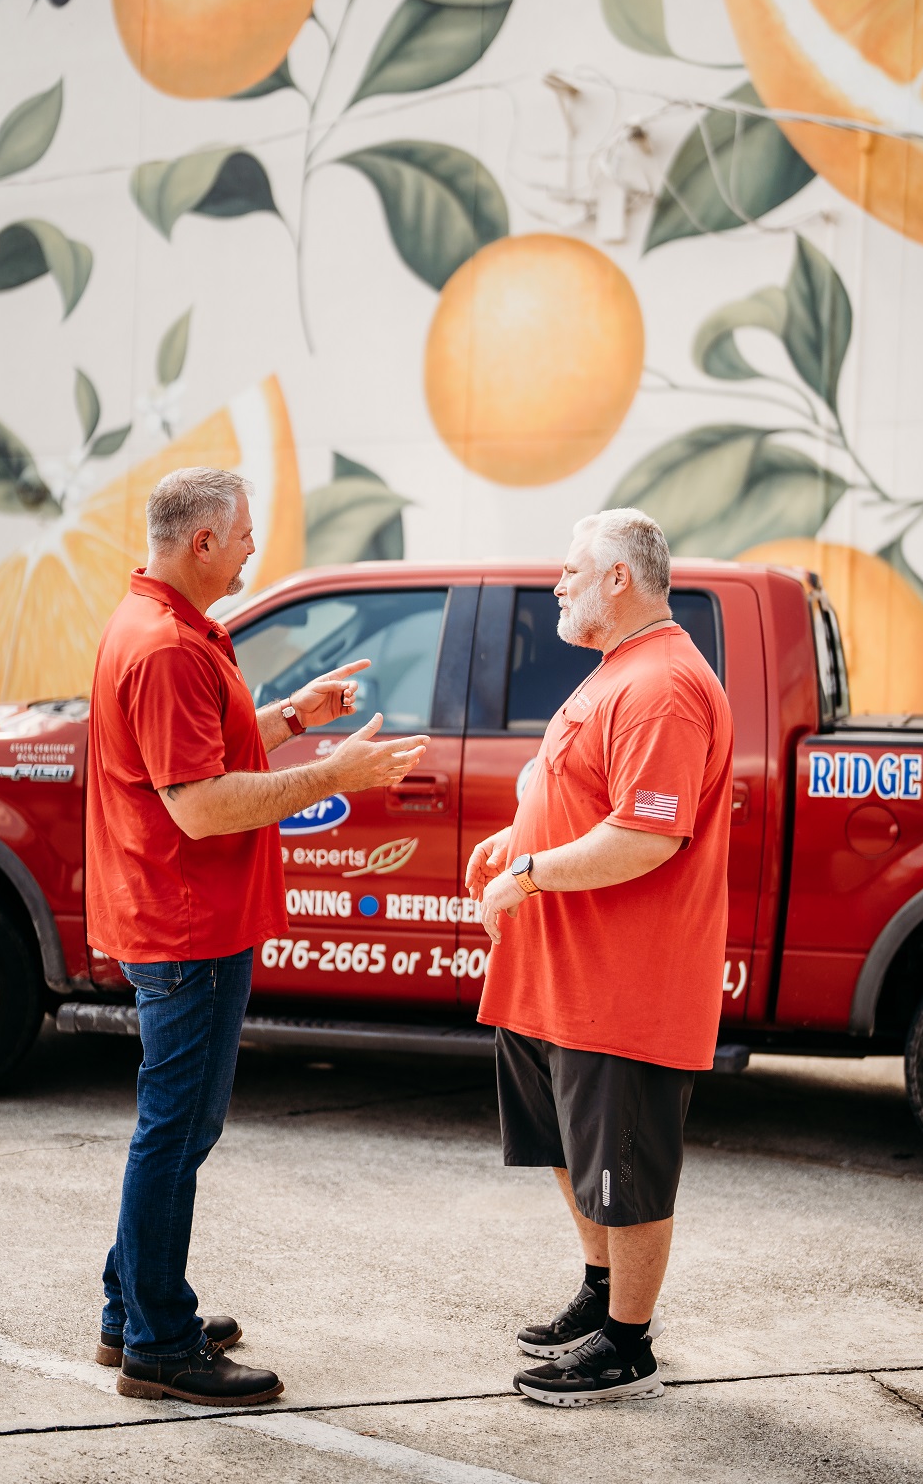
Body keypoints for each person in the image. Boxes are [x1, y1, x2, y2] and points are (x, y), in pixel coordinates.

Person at [86, 466, 428, 1407]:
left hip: (183, 917)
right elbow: (199, 807)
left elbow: (203, 750)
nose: (250, 550)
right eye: (242, 536)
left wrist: (291, 716)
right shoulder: (164, 648)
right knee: (177, 1131)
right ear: (201, 543)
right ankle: (158, 1341)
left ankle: (135, 1307)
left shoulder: (175, 631)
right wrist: (334, 772)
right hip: (186, 924)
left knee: (178, 1127)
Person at [466, 508, 733, 1408]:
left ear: (619, 578)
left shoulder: (660, 685)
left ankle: (627, 1346)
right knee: (568, 1148)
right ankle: (598, 1289)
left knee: (625, 1162)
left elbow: (645, 837)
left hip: (622, 987)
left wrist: (530, 873)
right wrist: (516, 836)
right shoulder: (617, 672)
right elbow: (590, 795)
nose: (557, 584)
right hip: (556, 980)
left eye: (571, 570)